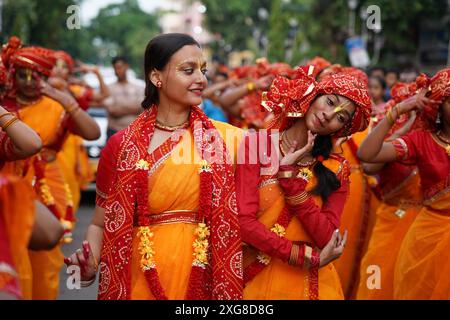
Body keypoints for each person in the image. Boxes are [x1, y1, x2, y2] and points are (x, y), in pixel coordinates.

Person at [64, 33, 244, 300]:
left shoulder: (230, 139)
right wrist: (91, 260)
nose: (201, 79)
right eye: (188, 70)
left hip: (207, 279)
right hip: (140, 279)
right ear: (156, 77)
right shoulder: (121, 145)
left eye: (203, 70)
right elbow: (100, 224)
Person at [235, 64, 372, 299]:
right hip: (255, 277)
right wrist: (299, 256)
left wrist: (291, 182)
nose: (329, 115)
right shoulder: (257, 145)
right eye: (329, 102)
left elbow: (328, 237)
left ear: (342, 128)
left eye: (340, 117)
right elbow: (243, 222)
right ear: (313, 95)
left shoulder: (336, 168)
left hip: (312, 283)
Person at [1, 36, 100, 299]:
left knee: (45, 252)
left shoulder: (56, 104)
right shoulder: (6, 105)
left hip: (46, 179)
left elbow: (92, 132)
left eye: (35, 75)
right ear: (12, 76)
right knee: (15, 250)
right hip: (11, 179)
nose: (29, 82)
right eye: (22, 75)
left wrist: (65, 100)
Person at [357, 68, 450, 299]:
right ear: (439, 104)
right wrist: (399, 111)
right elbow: (367, 155)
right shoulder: (422, 140)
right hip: (428, 238)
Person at [356, 82, 423, 300]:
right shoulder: (391, 120)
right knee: (376, 279)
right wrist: (405, 127)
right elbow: (368, 164)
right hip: (393, 218)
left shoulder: (437, 133)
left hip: (428, 226)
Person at [102, 56, 144, 140]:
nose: (117, 71)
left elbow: (143, 108)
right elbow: (113, 111)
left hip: (134, 132)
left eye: (119, 67)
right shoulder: (109, 88)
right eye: (115, 68)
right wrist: (134, 108)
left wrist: (121, 108)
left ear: (126, 66)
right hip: (114, 132)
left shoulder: (138, 87)